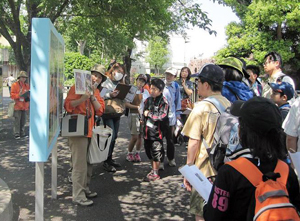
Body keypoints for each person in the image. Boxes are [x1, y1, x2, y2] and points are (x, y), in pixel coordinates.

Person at [203, 97, 300, 220]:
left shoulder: (229, 172)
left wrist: (206, 204)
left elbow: (213, 217)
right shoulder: (286, 171)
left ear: (242, 131)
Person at [182, 64, 231, 221]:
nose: (197, 85)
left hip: (204, 170)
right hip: (226, 169)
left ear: (206, 85)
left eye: (199, 82)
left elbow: (194, 141)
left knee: (201, 213)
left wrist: (189, 170)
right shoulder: (230, 105)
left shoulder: (202, 107)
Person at [64, 64, 105, 206]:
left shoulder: (97, 92)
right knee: (79, 164)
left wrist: (92, 96)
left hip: (89, 130)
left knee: (89, 162)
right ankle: (78, 195)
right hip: (77, 130)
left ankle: (85, 188)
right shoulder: (77, 87)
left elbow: (100, 110)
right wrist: (83, 98)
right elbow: (68, 105)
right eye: (95, 75)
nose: (96, 78)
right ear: (89, 75)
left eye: (99, 77)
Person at [101, 63, 126, 172]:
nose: (119, 74)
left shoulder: (121, 83)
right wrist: (110, 95)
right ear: (112, 71)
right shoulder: (106, 83)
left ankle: (110, 158)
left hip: (117, 112)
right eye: (118, 72)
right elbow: (100, 96)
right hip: (107, 112)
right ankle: (106, 161)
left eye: (122, 72)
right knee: (110, 136)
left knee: (114, 136)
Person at [143, 78, 169, 181]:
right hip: (146, 131)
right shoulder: (148, 100)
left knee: (156, 152)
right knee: (148, 151)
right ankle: (153, 169)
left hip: (157, 132)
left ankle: (155, 172)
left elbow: (162, 116)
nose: (152, 91)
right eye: (151, 88)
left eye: (155, 89)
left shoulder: (163, 102)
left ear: (161, 91)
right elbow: (143, 111)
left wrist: (149, 114)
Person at [125, 74, 149, 162]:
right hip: (133, 115)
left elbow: (148, 103)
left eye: (143, 81)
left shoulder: (146, 92)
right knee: (134, 136)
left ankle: (137, 153)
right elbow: (126, 104)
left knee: (140, 136)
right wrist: (136, 107)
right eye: (139, 80)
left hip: (143, 116)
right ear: (136, 80)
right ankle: (129, 153)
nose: (140, 82)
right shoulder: (132, 90)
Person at [162, 67, 181, 168]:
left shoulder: (176, 86)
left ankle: (171, 158)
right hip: (160, 116)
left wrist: (178, 115)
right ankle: (160, 161)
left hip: (171, 116)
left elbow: (177, 101)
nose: (169, 77)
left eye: (171, 75)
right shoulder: (160, 84)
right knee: (159, 139)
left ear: (174, 76)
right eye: (167, 74)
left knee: (170, 139)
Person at [10, 71, 30, 139]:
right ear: (19, 77)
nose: (24, 78)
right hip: (17, 105)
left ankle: (22, 133)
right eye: (22, 77)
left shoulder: (26, 85)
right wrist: (19, 95)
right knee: (17, 120)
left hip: (24, 106)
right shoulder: (14, 85)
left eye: (25, 77)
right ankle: (17, 133)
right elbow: (12, 95)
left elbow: (29, 94)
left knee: (23, 120)